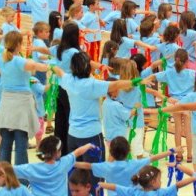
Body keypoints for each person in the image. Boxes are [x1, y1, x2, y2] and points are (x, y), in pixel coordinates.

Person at [51, 51, 136, 189]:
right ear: (87, 67)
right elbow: (116, 84)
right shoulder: (93, 84)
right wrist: (136, 81)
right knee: (96, 176)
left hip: (72, 135)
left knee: (75, 175)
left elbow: (59, 71)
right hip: (91, 136)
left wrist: (50, 65)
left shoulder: (69, 80)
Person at [0, 31, 49, 166]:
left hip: (6, 103)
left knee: (6, 141)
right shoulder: (20, 61)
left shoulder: (1, 58)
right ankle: (21, 175)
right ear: (18, 45)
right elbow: (39, 67)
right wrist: (52, 66)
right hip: (21, 104)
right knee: (21, 142)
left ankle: (3, 173)